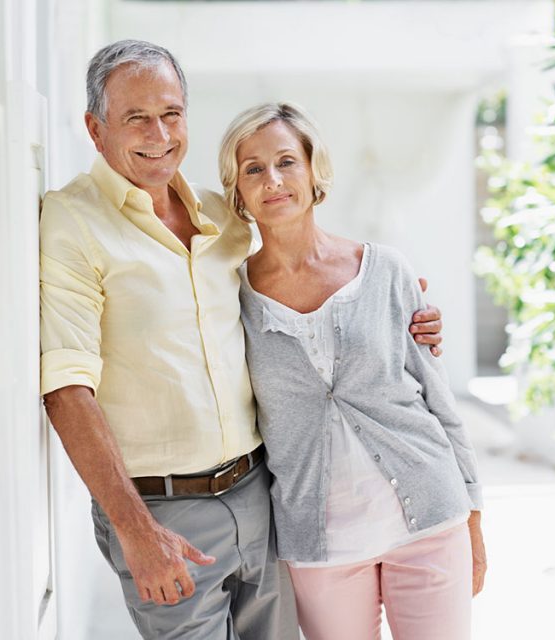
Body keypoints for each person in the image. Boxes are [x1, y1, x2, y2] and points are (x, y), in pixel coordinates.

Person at [39, 40, 443, 639]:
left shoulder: (221, 217)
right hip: (163, 512)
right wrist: (135, 529)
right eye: (135, 118)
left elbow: (302, 259)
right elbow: (68, 388)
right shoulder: (73, 221)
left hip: (262, 496)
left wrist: (396, 304)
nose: (160, 133)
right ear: (96, 130)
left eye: (172, 113)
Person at [220, 102, 487, 640]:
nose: (272, 180)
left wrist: (474, 516)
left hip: (430, 520)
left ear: (314, 169)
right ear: (238, 190)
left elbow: (438, 400)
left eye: (286, 161)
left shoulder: (385, 270)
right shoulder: (229, 295)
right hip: (321, 544)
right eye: (253, 168)